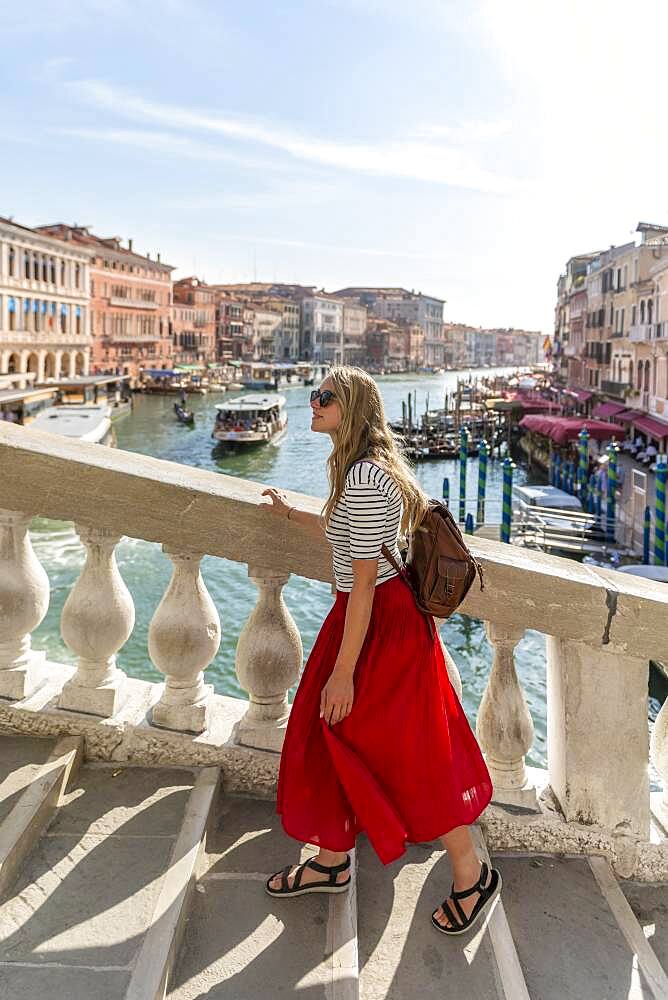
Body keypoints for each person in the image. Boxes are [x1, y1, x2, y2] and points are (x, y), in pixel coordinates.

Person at [261, 366, 499, 936]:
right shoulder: (359, 470)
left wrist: (343, 673)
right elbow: (346, 533)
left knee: (406, 752)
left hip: (379, 624)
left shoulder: (367, 476)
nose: (311, 403)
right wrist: (291, 515)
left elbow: (365, 578)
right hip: (372, 618)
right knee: (335, 736)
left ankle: (472, 874)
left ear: (352, 410)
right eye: (313, 395)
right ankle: (333, 859)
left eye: (324, 398)